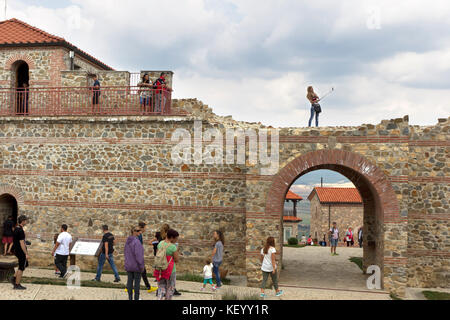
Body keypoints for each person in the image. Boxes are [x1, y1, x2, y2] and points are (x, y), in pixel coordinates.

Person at [153, 229, 179, 300]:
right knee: (170, 287)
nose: (176, 240)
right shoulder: (173, 247)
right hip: (170, 270)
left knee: (161, 286)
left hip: (160, 269)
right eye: (176, 238)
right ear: (171, 237)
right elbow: (176, 259)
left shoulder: (160, 243)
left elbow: (157, 254)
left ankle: (159, 298)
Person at [124, 226, 145, 301]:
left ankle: (130, 298)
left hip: (129, 265)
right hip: (136, 266)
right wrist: (141, 266)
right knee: (137, 284)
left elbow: (125, 253)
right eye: (138, 231)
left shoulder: (127, 242)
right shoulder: (137, 242)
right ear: (134, 232)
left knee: (129, 282)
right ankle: (136, 298)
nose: (140, 232)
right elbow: (139, 255)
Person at [137, 222, 156, 292]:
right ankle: (148, 287)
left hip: (139, 255)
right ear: (142, 227)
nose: (146, 229)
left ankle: (148, 287)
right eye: (145, 227)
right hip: (138, 256)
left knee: (142, 272)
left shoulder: (140, 234)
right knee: (142, 271)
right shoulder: (138, 235)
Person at [12, 215, 29, 290]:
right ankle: (17, 284)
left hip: (16, 250)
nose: (26, 222)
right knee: (21, 267)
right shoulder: (20, 230)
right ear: (23, 221)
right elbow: (22, 243)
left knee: (23, 265)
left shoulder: (16, 228)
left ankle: (13, 278)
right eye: (26, 220)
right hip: (21, 251)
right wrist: (26, 253)